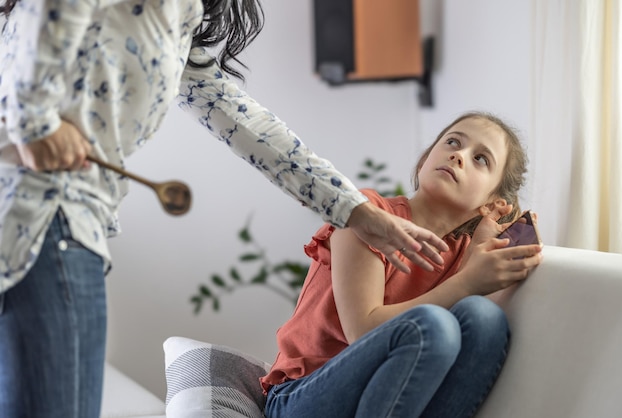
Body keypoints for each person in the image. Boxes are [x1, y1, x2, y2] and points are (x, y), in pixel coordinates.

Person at [0, 1, 449, 417]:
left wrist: (354, 210)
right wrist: (34, 123)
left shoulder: (179, 18)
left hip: (70, 222)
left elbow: (243, 122)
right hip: (43, 214)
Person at [260, 111, 544, 418]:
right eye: (452, 142)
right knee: (432, 327)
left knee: (485, 318)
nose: (458, 155)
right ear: (425, 160)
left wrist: (477, 256)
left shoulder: (463, 256)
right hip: (301, 395)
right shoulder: (364, 216)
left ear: (493, 204)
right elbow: (362, 331)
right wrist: (466, 282)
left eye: (480, 159)